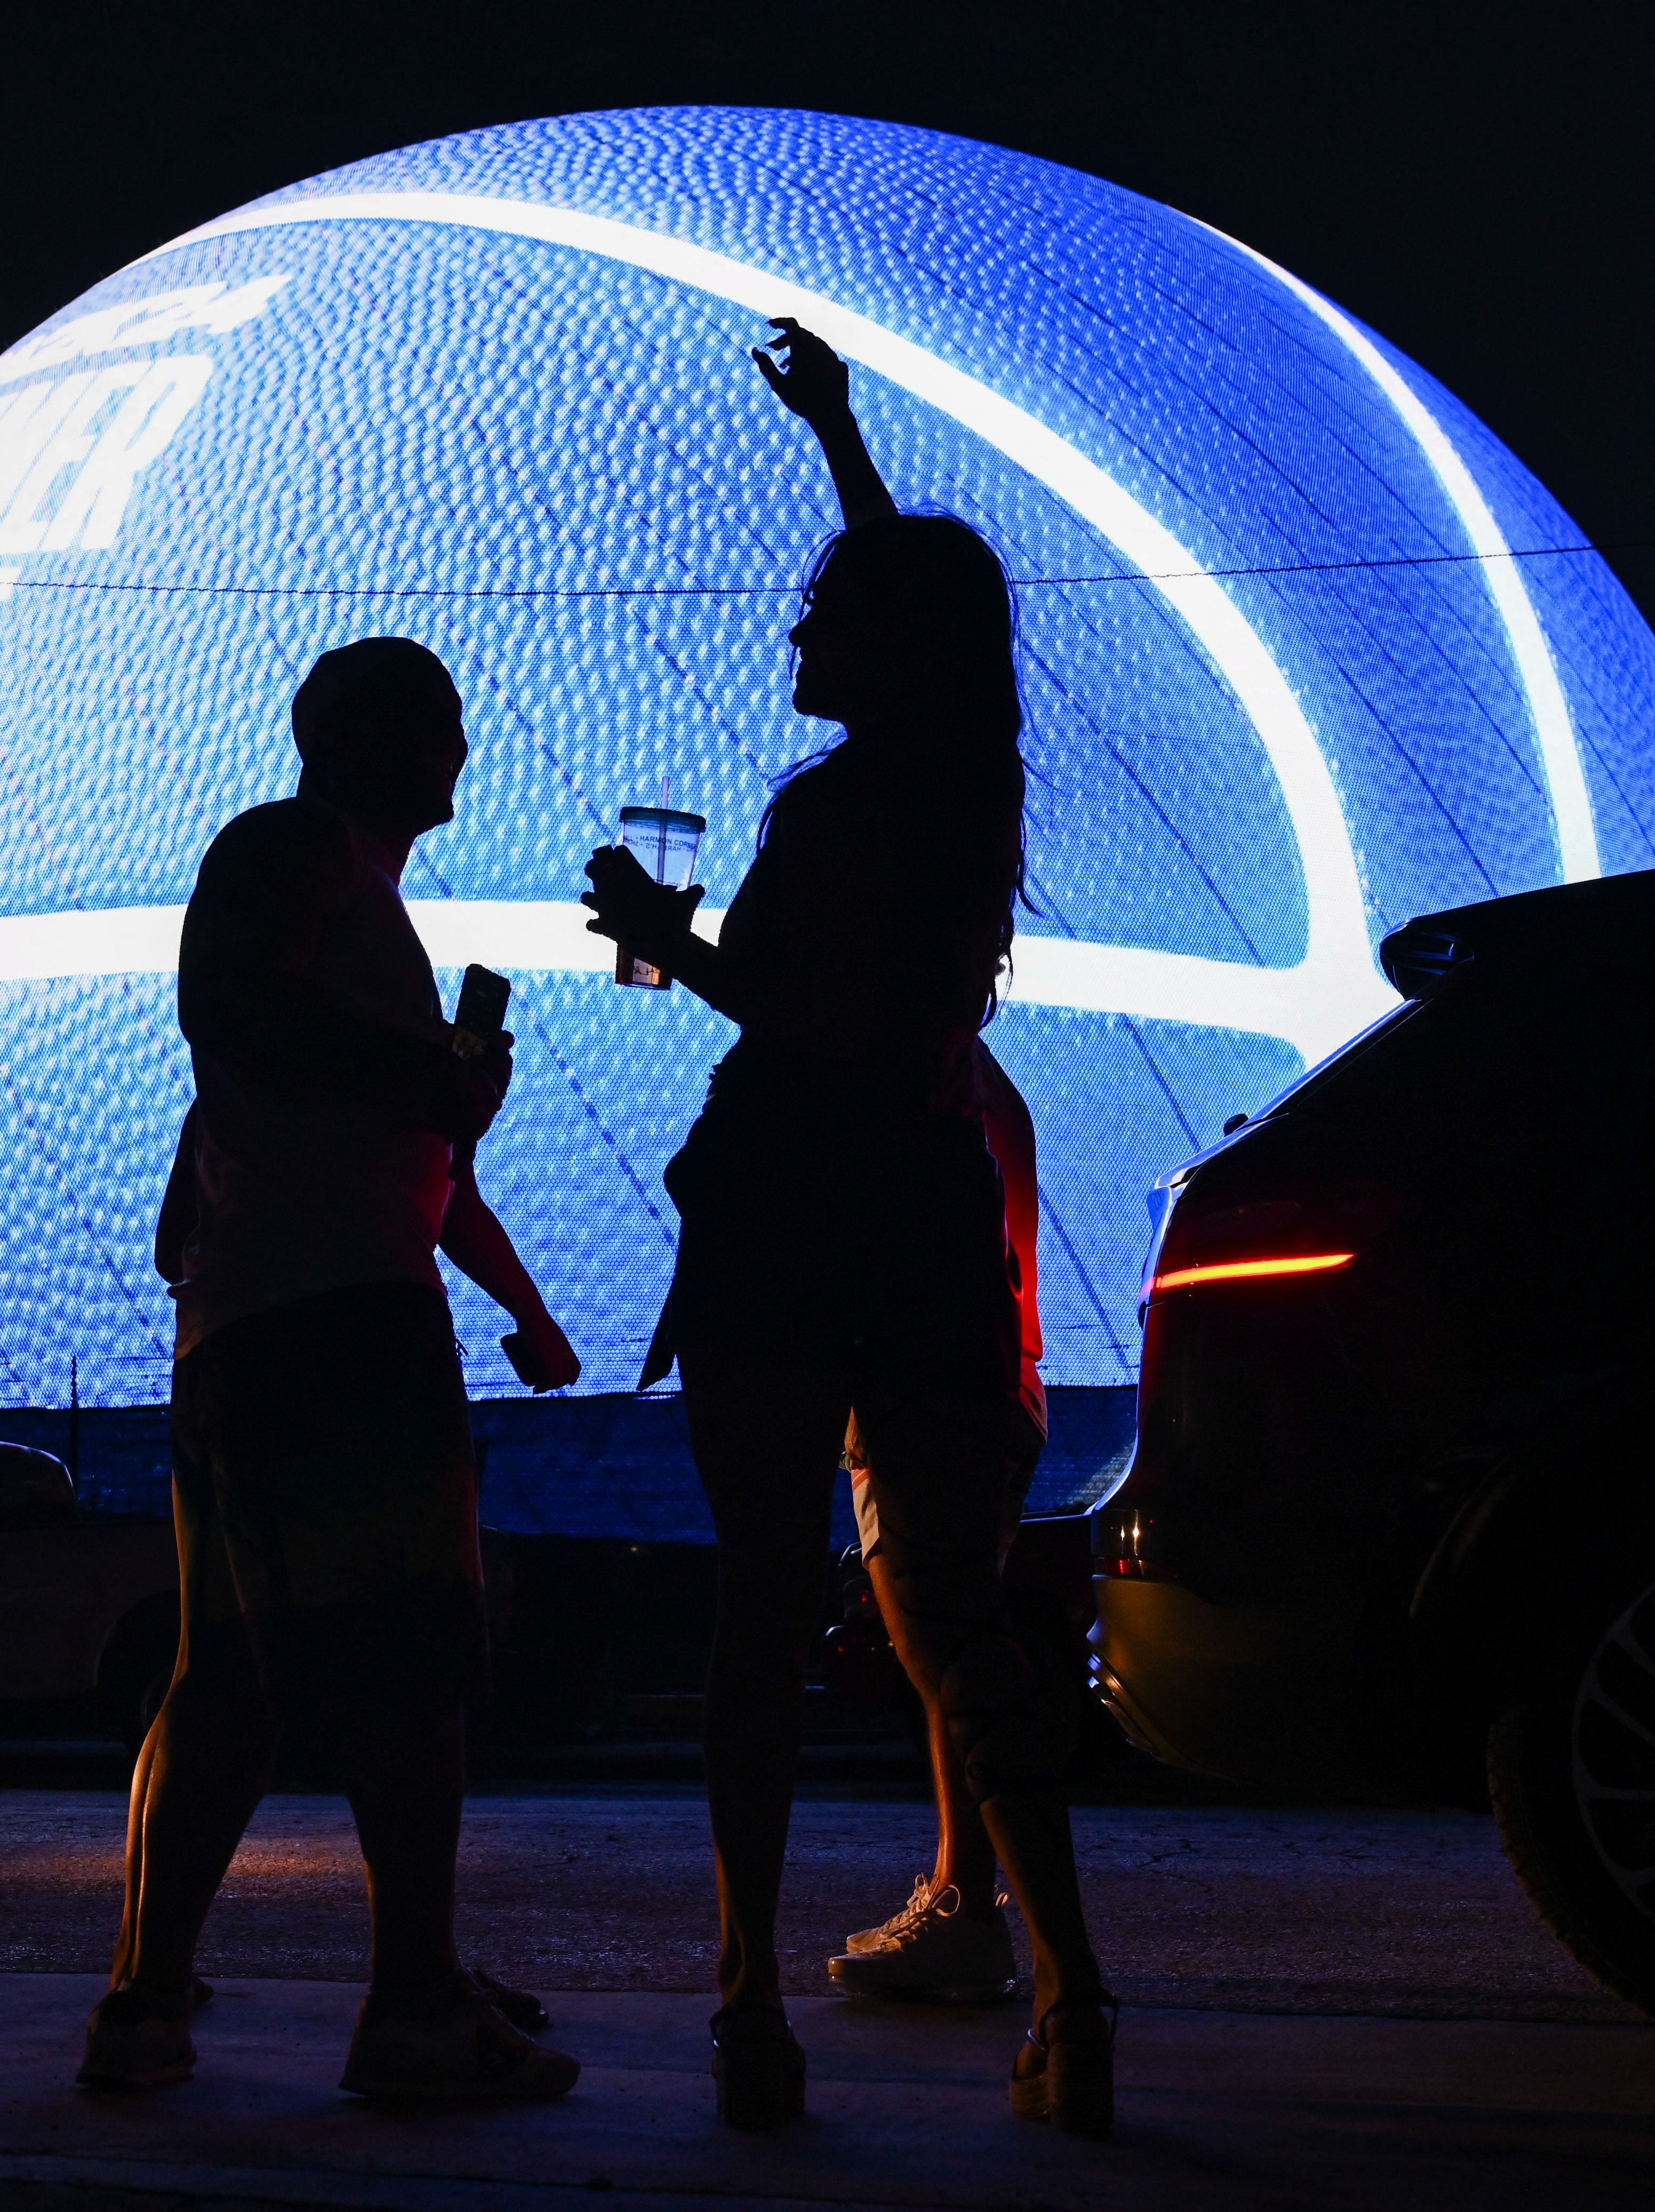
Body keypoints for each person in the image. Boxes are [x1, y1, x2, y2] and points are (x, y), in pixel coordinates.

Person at [580, 322, 1116, 2136]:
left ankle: (745, 2004)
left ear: (879, 644)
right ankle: (1072, 1990)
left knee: (755, 1613)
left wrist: (668, 928)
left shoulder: (832, 805)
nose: (793, 636)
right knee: (959, 1623)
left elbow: (807, 1023)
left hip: (787, 1215)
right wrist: (840, 437)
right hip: (925, 1215)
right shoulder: (970, 776)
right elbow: (932, 614)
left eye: (818, 615)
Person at [82, 635, 581, 2103]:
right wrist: (427, 1074)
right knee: (412, 1666)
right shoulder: (293, 850)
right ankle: (415, 2006)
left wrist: (524, 1301)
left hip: (260, 1323)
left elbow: (364, 1153)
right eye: (445, 728)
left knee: (229, 1673)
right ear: (372, 738)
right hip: (341, 1325)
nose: (464, 758)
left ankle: (147, 2000)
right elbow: (230, 1006)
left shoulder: (355, 900)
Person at [828, 1038, 1046, 2008]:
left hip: (936, 1393)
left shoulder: (924, 1085)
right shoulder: (972, 1078)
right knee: (943, 1664)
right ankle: (963, 1891)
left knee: (951, 1663)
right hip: (983, 1385)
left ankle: (976, 1914)